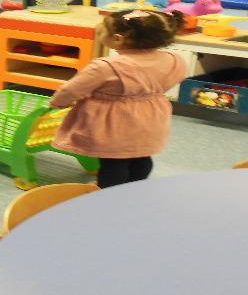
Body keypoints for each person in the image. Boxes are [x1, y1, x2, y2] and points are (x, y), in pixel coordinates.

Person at [49, 10, 189, 188]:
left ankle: (108, 196)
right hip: (152, 118)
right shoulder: (174, 59)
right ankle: (133, 189)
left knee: (113, 163)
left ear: (117, 39)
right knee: (141, 156)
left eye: (101, 31)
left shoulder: (107, 67)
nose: (98, 31)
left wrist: (58, 103)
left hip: (115, 122)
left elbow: (72, 89)